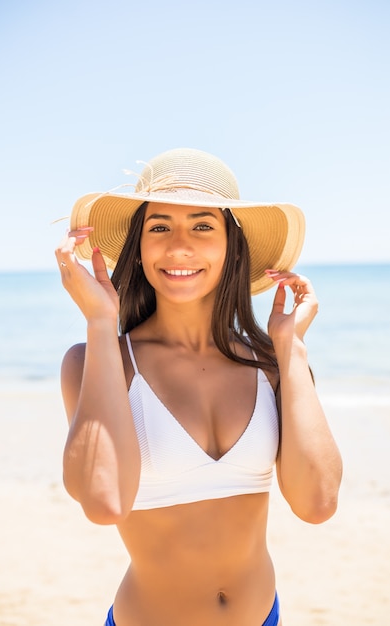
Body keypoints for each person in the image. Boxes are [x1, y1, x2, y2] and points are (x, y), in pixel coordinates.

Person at [55, 147, 342, 626]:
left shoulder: (271, 364)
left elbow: (318, 503)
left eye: (203, 226)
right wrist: (102, 325)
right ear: (139, 247)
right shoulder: (97, 361)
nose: (179, 246)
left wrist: (291, 348)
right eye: (159, 226)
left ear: (232, 243)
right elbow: (104, 502)